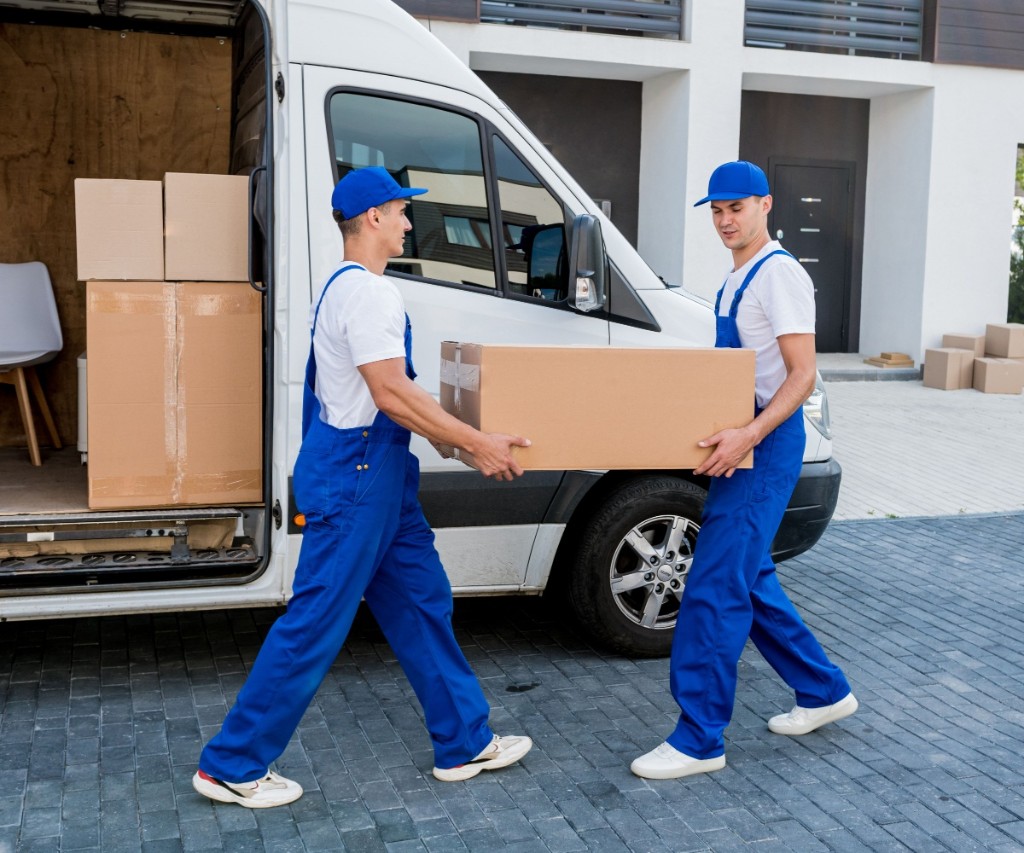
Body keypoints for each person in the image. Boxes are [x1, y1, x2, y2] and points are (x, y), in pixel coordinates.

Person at [193, 166, 534, 808]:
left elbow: (389, 393)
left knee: (421, 601)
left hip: (376, 472)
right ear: (373, 217)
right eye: (403, 211)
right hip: (358, 476)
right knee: (317, 619)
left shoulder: (348, 288)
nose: (409, 222)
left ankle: (464, 740)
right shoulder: (370, 294)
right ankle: (232, 764)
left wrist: (442, 436)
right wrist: (474, 440)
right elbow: (390, 391)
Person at [631, 161, 857, 781]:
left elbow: (801, 373)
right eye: (717, 211)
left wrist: (749, 436)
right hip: (739, 439)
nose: (726, 220)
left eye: (737, 208)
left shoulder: (779, 273)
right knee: (749, 577)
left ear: (766, 204)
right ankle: (823, 690)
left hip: (764, 443)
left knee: (712, 588)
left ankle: (700, 738)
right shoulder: (736, 278)